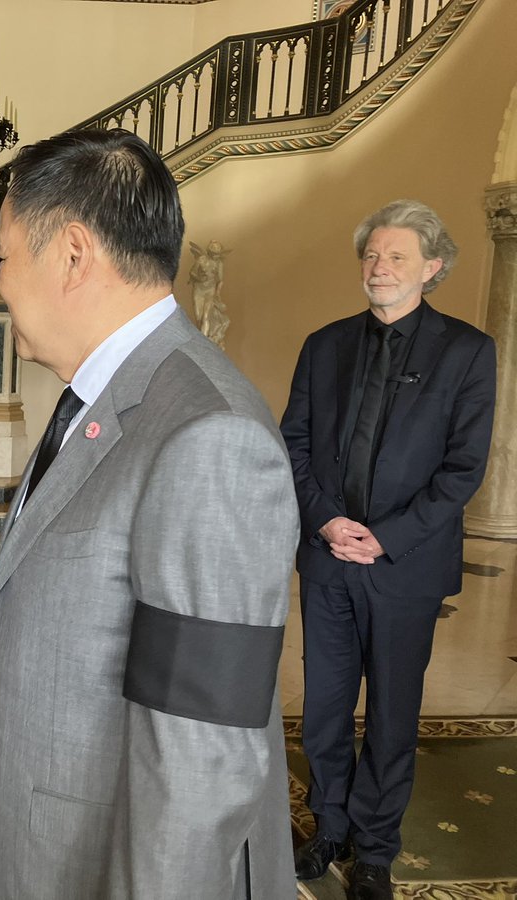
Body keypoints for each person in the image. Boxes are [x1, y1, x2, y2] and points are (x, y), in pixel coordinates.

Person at [0, 129, 300, 898]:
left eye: (6, 256)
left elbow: (200, 756)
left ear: (73, 254)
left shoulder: (207, 436)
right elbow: (27, 593)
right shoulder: (102, 400)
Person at [280, 200, 495, 899]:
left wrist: (388, 535)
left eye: (396, 256)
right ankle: (331, 826)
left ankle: (375, 847)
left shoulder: (466, 352)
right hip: (328, 559)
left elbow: (463, 469)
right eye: (372, 254)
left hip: (405, 565)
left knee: (394, 712)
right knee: (325, 708)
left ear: (432, 268)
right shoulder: (324, 344)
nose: (379, 267)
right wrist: (325, 523)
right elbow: (296, 446)